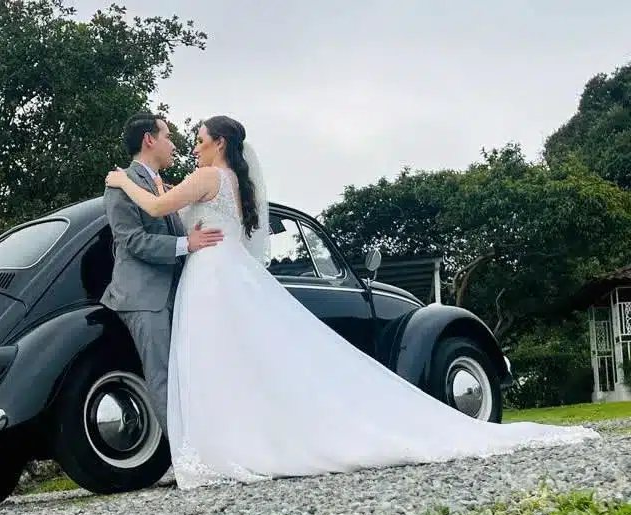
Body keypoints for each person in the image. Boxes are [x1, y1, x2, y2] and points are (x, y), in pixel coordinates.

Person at [105, 115, 599, 489]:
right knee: (234, 362)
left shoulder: (207, 178)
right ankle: (240, 441)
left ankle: (227, 444)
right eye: (186, 139)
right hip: (216, 272)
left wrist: (122, 181)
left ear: (219, 143)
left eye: (199, 139)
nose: (192, 146)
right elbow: (171, 210)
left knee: (221, 363)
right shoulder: (229, 181)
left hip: (210, 275)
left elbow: (157, 206)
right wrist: (157, 197)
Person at [100, 112, 224, 437]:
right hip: (143, 298)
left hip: (178, 293)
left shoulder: (162, 186)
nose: (173, 144)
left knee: (187, 374)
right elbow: (132, 241)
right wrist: (187, 243)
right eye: (167, 136)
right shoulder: (119, 184)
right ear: (149, 140)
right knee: (164, 377)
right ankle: (185, 455)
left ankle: (203, 442)